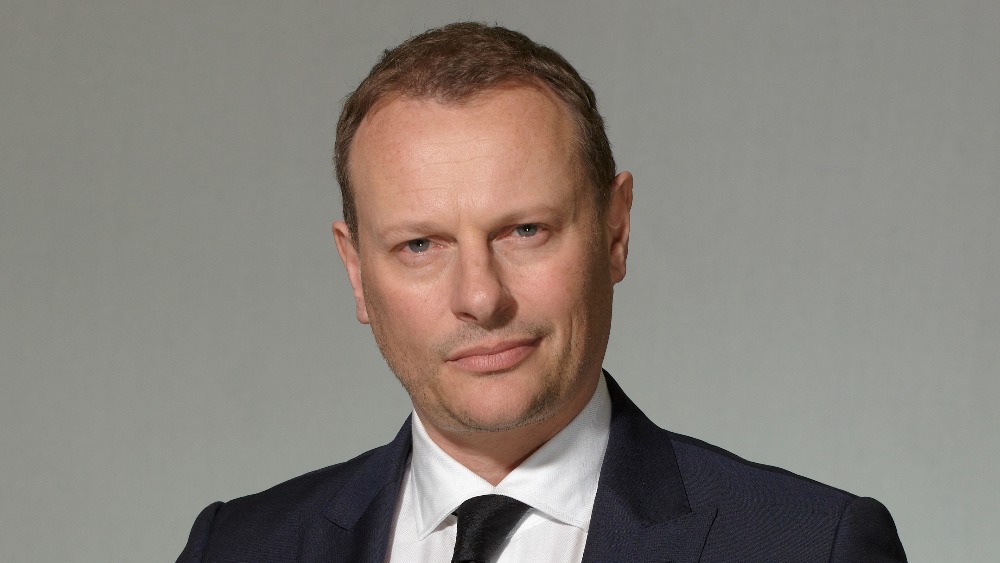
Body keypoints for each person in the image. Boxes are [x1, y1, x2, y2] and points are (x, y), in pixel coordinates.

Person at [177, 22, 906, 562]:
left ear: (615, 231)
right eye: (420, 245)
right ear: (356, 271)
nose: (480, 297)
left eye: (524, 230)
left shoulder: (811, 545)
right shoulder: (234, 548)